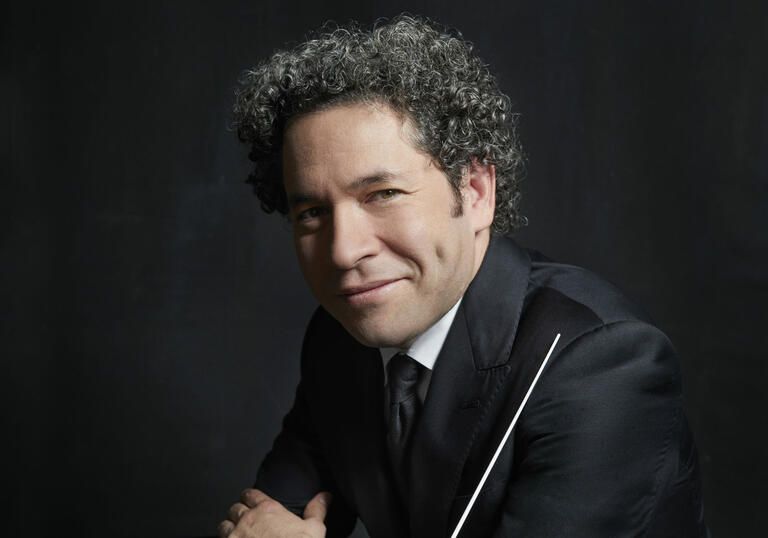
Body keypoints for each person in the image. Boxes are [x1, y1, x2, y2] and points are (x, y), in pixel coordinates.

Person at [218, 15, 708, 538]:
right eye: (312, 212)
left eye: (382, 195)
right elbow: (263, 523)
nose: (342, 252)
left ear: (474, 191)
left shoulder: (604, 363)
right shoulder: (338, 340)